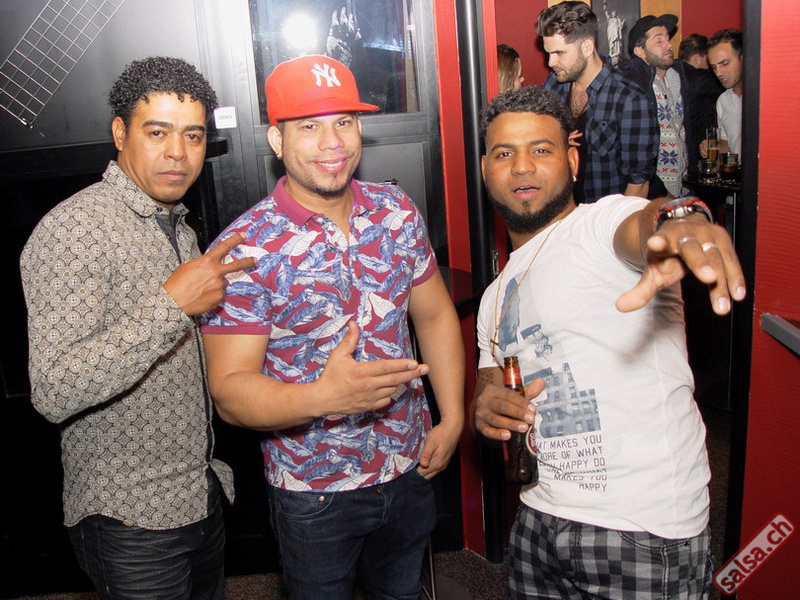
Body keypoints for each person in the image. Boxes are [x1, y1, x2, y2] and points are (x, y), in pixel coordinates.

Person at [199, 54, 465, 600]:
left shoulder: (395, 211)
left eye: (343, 121)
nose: (332, 143)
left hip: (409, 463)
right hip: (313, 489)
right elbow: (229, 393)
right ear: (277, 140)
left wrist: (453, 415)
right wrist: (325, 397)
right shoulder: (245, 249)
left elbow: (435, 314)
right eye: (309, 126)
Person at [472, 85, 745, 598]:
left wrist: (681, 221)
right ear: (486, 168)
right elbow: (490, 392)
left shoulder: (599, 225)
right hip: (538, 518)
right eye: (504, 154)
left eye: (541, 149)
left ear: (573, 161)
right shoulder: (494, 296)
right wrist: (484, 408)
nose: (523, 166)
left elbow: (648, 220)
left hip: (641, 530)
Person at [20, 56, 256, 600]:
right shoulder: (75, 230)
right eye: (157, 133)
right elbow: (53, 390)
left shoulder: (176, 226)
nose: (178, 152)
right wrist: (172, 307)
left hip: (199, 493)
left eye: (193, 135)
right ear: (120, 134)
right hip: (129, 517)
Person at [536, 1, 658, 204]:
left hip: (605, 217)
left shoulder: (629, 99)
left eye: (559, 53)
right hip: (561, 213)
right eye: (548, 53)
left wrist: (618, 224)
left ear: (587, 48)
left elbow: (638, 183)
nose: (551, 62)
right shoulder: (553, 85)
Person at [620, 14, 694, 199]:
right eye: (659, 41)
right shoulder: (633, 86)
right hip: (653, 192)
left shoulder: (678, 76)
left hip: (685, 186)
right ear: (640, 51)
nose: (669, 45)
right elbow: (634, 149)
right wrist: (659, 191)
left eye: (667, 38)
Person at [679, 33, 725, 175]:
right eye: (708, 60)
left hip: (680, 149)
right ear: (697, 58)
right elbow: (733, 85)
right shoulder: (701, 79)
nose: (710, 66)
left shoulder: (672, 74)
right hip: (700, 149)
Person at [702, 29, 743, 158]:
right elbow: (729, 144)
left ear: (743, 58)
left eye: (725, 64)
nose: (718, 73)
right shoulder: (723, 101)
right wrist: (714, 145)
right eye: (714, 67)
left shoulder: (765, 97)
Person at [601, 1, 625, 67]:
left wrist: (622, 23)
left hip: (616, 33)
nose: (613, 14)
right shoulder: (610, 19)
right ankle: (611, 52)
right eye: (612, 13)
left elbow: (620, 27)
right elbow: (606, 13)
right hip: (611, 33)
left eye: (614, 13)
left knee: (616, 42)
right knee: (611, 42)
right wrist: (604, 6)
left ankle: (617, 51)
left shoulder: (617, 19)